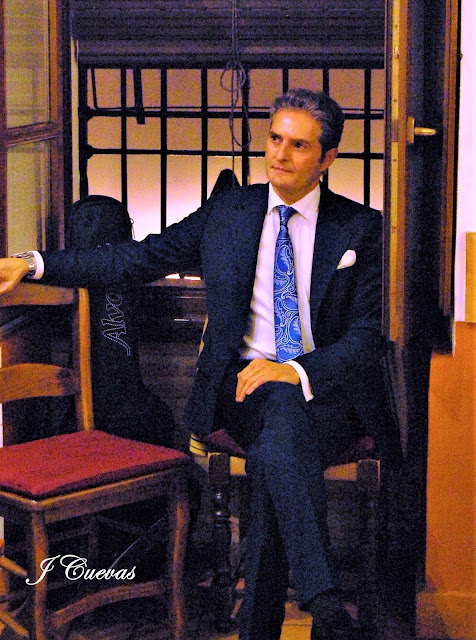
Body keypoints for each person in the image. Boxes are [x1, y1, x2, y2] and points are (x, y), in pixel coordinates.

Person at [0, 89, 398, 640]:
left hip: (327, 397)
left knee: (276, 445)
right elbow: (136, 259)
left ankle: (285, 617)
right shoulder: (229, 213)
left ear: (328, 158)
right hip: (240, 396)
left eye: (299, 145)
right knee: (277, 419)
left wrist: (296, 371)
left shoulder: (360, 228)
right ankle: (325, 604)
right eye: (274, 139)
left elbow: (368, 337)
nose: (280, 155)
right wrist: (35, 262)